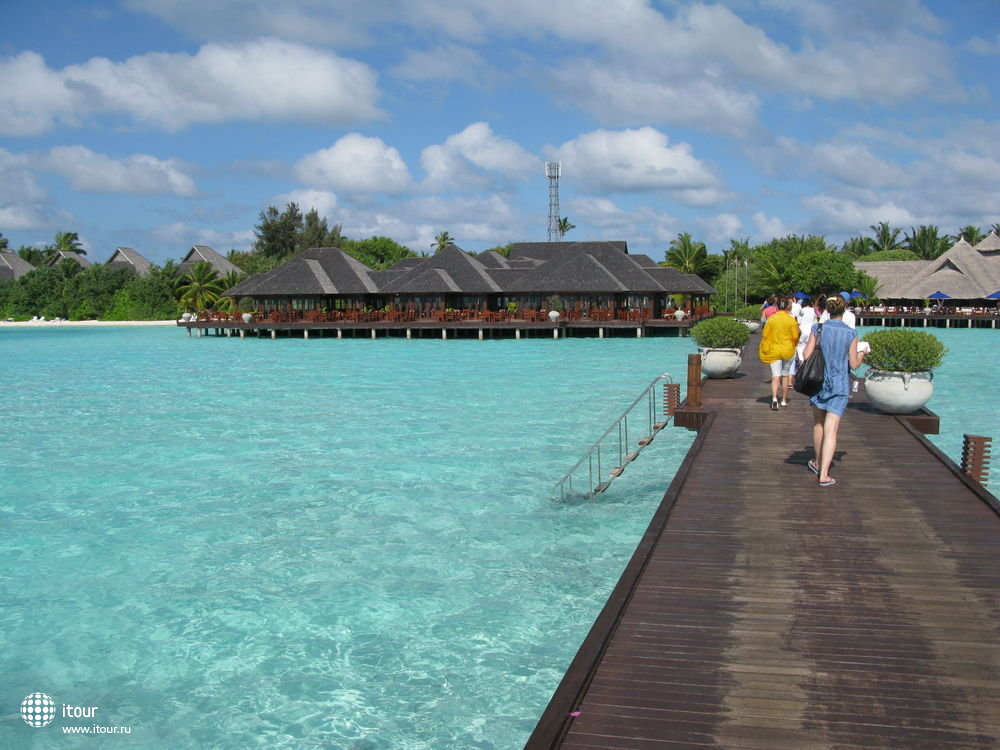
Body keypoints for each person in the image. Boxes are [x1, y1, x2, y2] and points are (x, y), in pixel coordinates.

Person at [801, 295, 867, 487]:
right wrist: (862, 353)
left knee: (818, 425)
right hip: (839, 385)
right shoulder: (850, 333)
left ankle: (817, 462)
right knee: (832, 430)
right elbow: (854, 364)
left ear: (827, 310)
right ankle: (824, 474)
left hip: (818, 382)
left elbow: (806, 355)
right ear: (845, 309)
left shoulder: (817, 328)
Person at [758, 296, 800, 410]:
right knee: (785, 374)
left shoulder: (771, 319)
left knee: (775, 376)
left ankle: (774, 398)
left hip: (774, 350)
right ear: (788, 307)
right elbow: (795, 336)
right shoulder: (791, 320)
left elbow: (765, 335)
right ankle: (784, 400)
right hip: (787, 349)